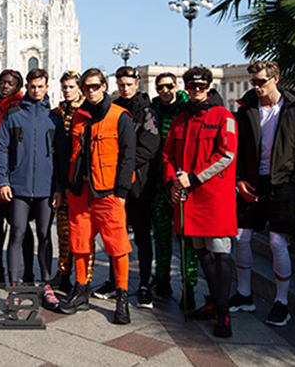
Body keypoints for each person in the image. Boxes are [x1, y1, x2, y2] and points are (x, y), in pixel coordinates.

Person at [231, 61, 295, 326]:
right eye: (253, 82)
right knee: (241, 237)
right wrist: (239, 180)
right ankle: (244, 294)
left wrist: (294, 181)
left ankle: (281, 302)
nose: (256, 87)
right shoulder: (246, 110)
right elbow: (235, 149)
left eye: (261, 81)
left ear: (276, 79)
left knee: (277, 242)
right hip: (251, 182)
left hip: (282, 184)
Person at [163, 66, 238, 338]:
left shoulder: (223, 116)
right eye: (192, 87)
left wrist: (193, 178)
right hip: (189, 197)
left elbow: (227, 155)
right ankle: (214, 302)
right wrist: (172, 181)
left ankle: (224, 312)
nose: (196, 90)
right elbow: (168, 154)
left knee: (220, 252)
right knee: (201, 250)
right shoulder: (180, 120)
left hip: (213, 196)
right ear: (186, 88)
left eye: (201, 86)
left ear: (208, 87)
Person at [57, 68, 136, 325]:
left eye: (94, 86)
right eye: (86, 87)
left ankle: (122, 296)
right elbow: (69, 153)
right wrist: (68, 186)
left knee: (118, 246)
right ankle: (81, 290)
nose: (90, 91)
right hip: (80, 192)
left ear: (103, 86)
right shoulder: (79, 117)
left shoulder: (119, 116)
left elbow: (128, 157)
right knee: (79, 242)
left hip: (108, 192)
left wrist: (121, 193)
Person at [0, 68, 62, 309]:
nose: (36, 90)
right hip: (19, 186)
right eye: (32, 86)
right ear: (27, 88)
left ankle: (46, 284)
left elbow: (61, 156)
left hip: (46, 188)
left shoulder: (54, 118)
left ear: (46, 87)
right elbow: (1, 147)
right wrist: (3, 180)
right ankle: (14, 287)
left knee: (44, 234)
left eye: (40, 86)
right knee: (17, 233)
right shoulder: (13, 115)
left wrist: (59, 188)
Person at [93, 67, 160, 309]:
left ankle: (144, 283)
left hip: (139, 183)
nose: (125, 88)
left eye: (129, 84)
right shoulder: (113, 108)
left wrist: (125, 166)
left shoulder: (146, 111)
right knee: (114, 234)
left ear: (137, 84)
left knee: (142, 236)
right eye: (121, 84)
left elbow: (149, 146)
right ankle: (114, 281)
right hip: (116, 183)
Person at [150, 73, 199, 310]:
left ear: (176, 86)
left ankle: (189, 288)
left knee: (186, 239)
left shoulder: (187, 109)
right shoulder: (154, 109)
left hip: (182, 182)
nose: (165, 91)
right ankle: (162, 280)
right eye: (160, 87)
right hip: (159, 184)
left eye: (169, 86)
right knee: (160, 237)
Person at [0, 69, 36, 286]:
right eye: (2, 82)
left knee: (21, 228)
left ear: (18, 87)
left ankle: (29, 273)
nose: (5, 86)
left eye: (10, 83)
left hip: (15, 180)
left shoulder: (22, 110)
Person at [48, 71, 95, 295]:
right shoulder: (57, 113)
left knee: (83, 232)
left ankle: (84, 278)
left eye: (71, 87)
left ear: (79, 89)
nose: (67, 91)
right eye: (65, 87)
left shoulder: (86, 113)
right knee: (63, 230)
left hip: (82, 182)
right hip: (63, 179)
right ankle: (63, 273)